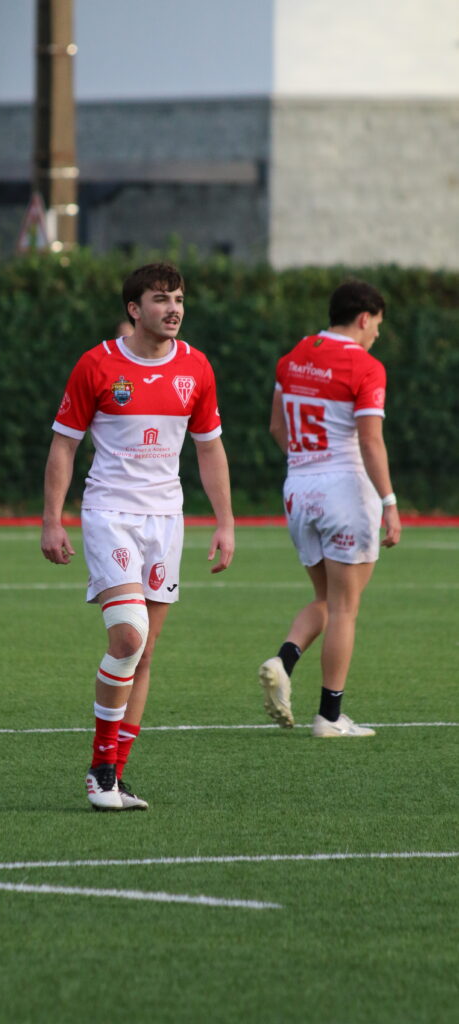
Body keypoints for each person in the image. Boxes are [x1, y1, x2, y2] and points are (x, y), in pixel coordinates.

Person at [41, 262, 235, 810]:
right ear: (134, 308)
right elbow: (64, 445)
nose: (173, 309)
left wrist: (225, 521)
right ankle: (100, 771)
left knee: (144, 654)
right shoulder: (98, 364)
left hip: (166, 520)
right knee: (128, 637)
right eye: (160, 299)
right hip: (110, 513)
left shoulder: (196, 367)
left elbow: (209, 449)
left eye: (179, 299)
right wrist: (52, 519)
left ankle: (115, 775)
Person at [259, 279, 402, 737]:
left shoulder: (294, 356)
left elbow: (276, 427)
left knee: (325, 599)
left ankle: (283, 661)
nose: (376, 333)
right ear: (364, 317)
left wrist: (308, 465)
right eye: (377, 324)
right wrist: (390, 502)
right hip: (345, 490)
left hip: (299, 488)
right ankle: (330, 717)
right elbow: (370, 440)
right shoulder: (366, 366)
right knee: (344, 607)